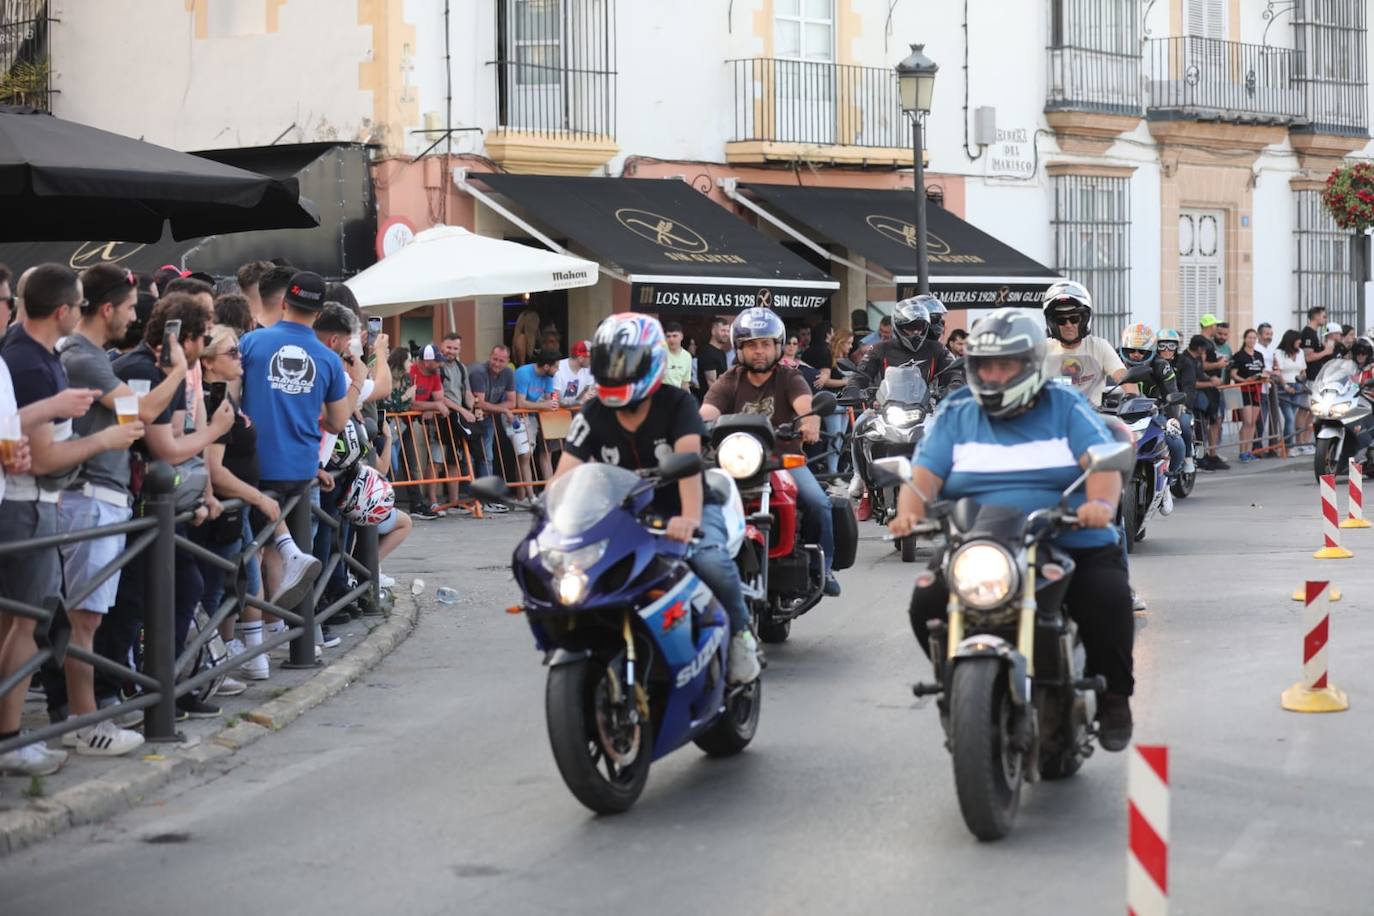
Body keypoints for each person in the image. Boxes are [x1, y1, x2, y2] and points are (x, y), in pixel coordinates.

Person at [889, 307, 1135, 751]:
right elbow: (922, 477)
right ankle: (956, 688)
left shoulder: (1065, 405)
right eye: (986, 365)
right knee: (925, 602)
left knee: (1107, 597)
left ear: (1032, 365)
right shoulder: (956, 411)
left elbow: (1101, 464)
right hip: (979, 540)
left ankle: (1115, 696)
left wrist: (1099, 505)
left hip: (1066, 533)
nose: (995, 374)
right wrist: (908, 514)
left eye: (1006, 365)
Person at [559, 313, 758, 683]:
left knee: (710, 562)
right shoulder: (593, 412)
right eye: (610, 361)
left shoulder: (677, 403)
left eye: (627, 361)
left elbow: (688, 465)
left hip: (684, 506)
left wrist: (689, 519)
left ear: (652, 361)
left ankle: (742, 634)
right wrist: (551, 515)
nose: (617, 371)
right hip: (622, 515)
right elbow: (565, 474)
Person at [0, 265, 140, 772]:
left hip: (37, 503)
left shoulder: (39, 357)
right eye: (79, 306)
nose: (82, 314)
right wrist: (104, 439)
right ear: (63, 311)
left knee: (24, 623)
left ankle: (15, 735)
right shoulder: (33, 364)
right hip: (30, 504)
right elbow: (41, 460)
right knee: (30, 625)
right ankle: (14, 739)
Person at [50, 265, 150, 754]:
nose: (134, 318)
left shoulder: (96, 357)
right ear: (106, 308)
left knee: (85, 616)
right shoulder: (85, 358)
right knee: (83, 618)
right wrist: (178, 372)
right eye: (130, 308)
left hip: (100, 496)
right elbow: (141, 412)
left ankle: (81, 717)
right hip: (89, 497)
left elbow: (133, 415)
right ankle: (84, 722)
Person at [239, 271, 360, 620]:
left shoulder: (251, 344)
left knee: (255, 553)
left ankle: (256, 648)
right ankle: (287, 630)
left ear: (282, 304)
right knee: (283, 556)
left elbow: (232, 402)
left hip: (257, 465)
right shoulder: (328, 360)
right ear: (319, 313)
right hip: (303, 468)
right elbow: (338, 422)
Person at [700, 307, 840, 597]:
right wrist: (693, 427)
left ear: (777, 347)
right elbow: (707, 412)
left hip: (783, 461)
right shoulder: (729, 380)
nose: (759, 351)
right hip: (735, 464)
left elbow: (806, 405)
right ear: (740, 349)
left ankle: (823, 567)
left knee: (818, 503)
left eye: (765, 344)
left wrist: (811, 422)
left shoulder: (790, 378)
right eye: (751, 345)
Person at [199, 325, 272, 681]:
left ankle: (221, 658)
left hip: (235, 506)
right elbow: (214, 468)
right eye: (232, 353)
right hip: (224, 507)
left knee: (239, 583)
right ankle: (208, 667)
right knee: (218, 588)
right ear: (208, 361)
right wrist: (258, 498)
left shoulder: (228, 397)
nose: (239, 358)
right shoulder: (214, 400)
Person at [1119, 323, 1184, 515]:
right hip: (1117, 415)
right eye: (1131, 350)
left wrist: (1174, 418)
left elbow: (1172, 393)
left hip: (1154, 414)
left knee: (1176, 441)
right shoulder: (1114, 361)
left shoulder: (1161, 366)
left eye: (1142, 351)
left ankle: (1167, 482)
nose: (1136, 355)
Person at [1043, 280, 1128, 406]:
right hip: (1052, 421)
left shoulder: (1099, 347)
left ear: (1084, 320)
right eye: (1061, 320)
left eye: (1074, 319)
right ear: (1052, 324)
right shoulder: (1042, 350)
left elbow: (1124, 378)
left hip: (1092, 420)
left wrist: (1132, 396)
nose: (1068, 325)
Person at [856, 295, 960, 387]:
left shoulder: (938, 348)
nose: (915, 331)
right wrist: (853, 387)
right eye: (910, 326)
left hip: (929, 406)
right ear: (898, 326)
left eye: (919, 326)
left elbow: (954, 371)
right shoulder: (879, 348)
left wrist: (956, 383)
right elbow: (860, 375)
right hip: (886, 405)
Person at [407, 343, 452, 518]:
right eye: (437, 361)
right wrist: (433, 405)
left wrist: (430, 407)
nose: (440, 364)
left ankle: (416, 503)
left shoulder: (434, 374)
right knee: (396, 464)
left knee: (411, 464)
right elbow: (410, 403)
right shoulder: (410, 372)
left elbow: (439, 399)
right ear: (426, 362)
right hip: (400, 421)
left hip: (415, 422)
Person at [468, 345, 517, 498]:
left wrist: (492, 409)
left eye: (501, 361)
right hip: (469, 417)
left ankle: (486, 496)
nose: (497, 363)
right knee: (467, 458)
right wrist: (503, 410)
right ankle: (468, 496)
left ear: (507, 361)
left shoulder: (509, 373)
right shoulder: (479, 372)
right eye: (495, 359)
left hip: (487, 417)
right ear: (490, 356)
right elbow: (479, 403)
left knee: (487, 456)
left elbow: (512, 402)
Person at [1153, 327, 1197, 479]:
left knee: (1183, 424)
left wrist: (1184, 403)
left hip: (1179, 405)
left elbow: (1189, 386)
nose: (1166, 349)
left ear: (1176, 347)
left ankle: (1188, 457)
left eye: (1171, 346)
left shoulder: (1185, 362)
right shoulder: (1152, 362)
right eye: (1162, 345)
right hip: (1157, 406)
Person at [513, 349, 559, 481]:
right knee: (524, 455)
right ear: (546, 367)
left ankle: (526, 495)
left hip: (532, 416)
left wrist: (551, 402)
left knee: (528, 455)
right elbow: (520, 403)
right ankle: (524, 496)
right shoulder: (523, 373)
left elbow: (549, 398)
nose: (557, 371)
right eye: (555, 367)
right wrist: (545, 405)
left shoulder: (548, 376)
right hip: (515, 416)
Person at [1187, 334, 1228, 470]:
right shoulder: (1187, 361)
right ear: (1199, 348)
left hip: (1200, 401)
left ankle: (1204, 457)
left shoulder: (1195, 359)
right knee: (1198, 433)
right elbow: (1192, 384)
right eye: (1203, 349)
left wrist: (1210, 380)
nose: (1205, 352)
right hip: (1193, 402)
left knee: (1202, 432)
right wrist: (1211, 383)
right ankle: (1199, 459)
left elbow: (1200, 375)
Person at [1229, 329, 1268, 462]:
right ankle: (1242, 451)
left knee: (1253, 423)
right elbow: (1233, 373)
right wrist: (1244, 380)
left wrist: (1264, 376)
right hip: (1244, 391)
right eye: (1249, 338)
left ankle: (1249, 450)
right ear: (1245, 339)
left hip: (1257, 390)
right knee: (1247, 422)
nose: (1252, 340)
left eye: (1254, 338)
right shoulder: (1239, 355)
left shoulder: (1259, 355)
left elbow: (1262, 370)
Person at [1273, 329, 1310, 455]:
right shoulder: (1279, 353)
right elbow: (1279, 372)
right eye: (1298, 340)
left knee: (1292, 418)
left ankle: (1286, 447)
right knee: (1289, 418)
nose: (1300, 342)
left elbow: (1303, 370)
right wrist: (1285, 386)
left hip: (1298, 386)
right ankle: (1288, 447)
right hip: (1285, 387)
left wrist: (1303, 383)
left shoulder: (1300, 353)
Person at [553, 340, 595, 406]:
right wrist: (580, 401)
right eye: (591, 358)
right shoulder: (557, 368)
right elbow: (558, 400)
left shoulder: (588, 369)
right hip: (554, 412)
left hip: (574, 410)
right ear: (581, 358)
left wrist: (589, 395)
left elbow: (589, 389)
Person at [1300, 306, 1336, 381]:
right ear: (1316, 316)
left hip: (1316, 376)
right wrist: (1325, 352)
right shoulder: (1308, 333)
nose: (1325, 319)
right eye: (1324, 316)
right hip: (1310, 377)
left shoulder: (1313, 333)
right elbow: (1308, 357)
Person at [698, 316, 732, 388]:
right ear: (713, 331)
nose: (726, 334)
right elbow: (711, 383)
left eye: (728, 331)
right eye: (723, 330)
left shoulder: (721, 353)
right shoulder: (708, 353)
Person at [662, 321, 693, 389]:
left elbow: (684, 384)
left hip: (677, 397)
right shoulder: (659, 352)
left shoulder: (687, 356)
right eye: (668, 336)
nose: (671, 339)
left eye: (675, 336)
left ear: (681, 336)